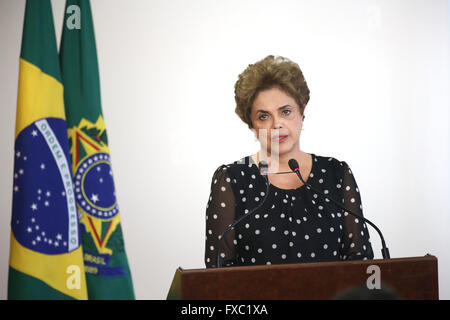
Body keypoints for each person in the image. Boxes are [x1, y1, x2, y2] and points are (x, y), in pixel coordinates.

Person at [204, 55, 374, 268]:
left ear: (302, 111)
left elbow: (361, 262)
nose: (277, 125)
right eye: (264, 116)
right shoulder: (232, 178)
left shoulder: (337, 173)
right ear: (251, 123)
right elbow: (218, 273)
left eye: (286, 112)